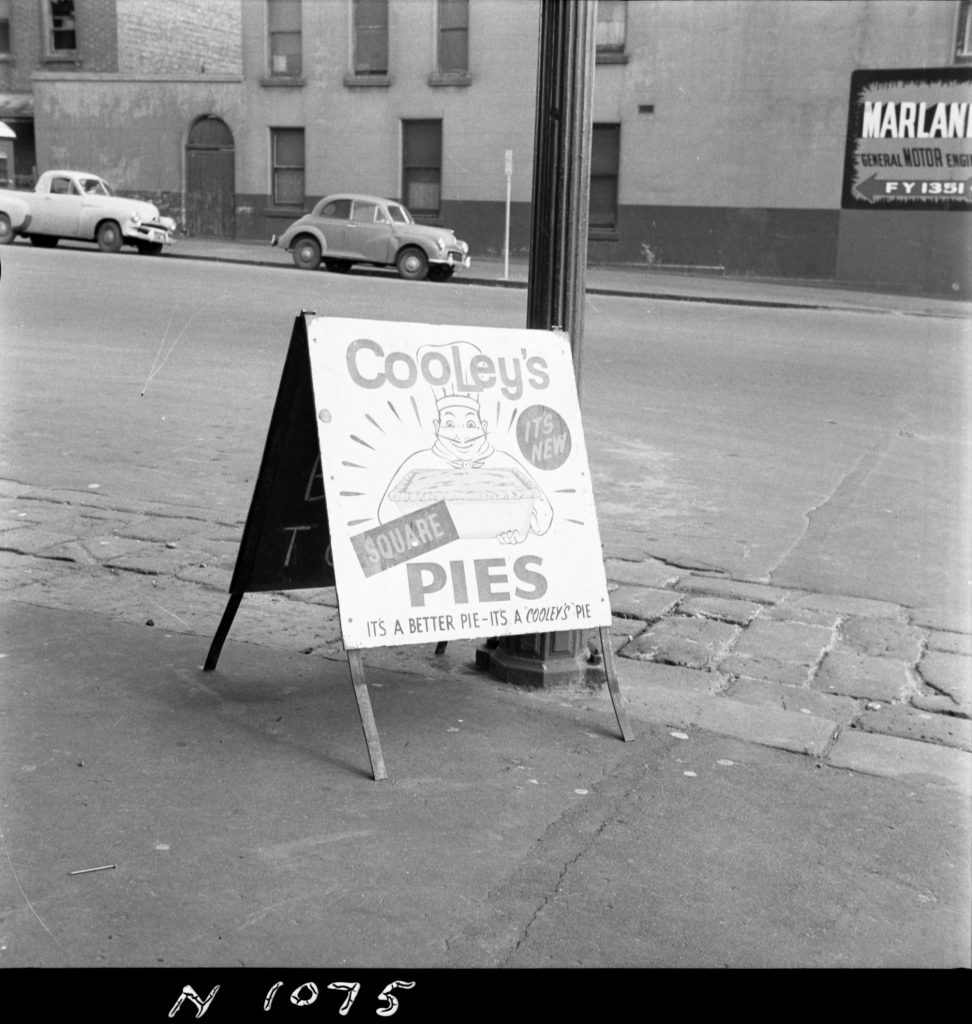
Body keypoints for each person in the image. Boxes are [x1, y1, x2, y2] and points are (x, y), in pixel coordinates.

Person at [377, 343, 553, 545]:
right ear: (437, 426)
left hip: (498, 562)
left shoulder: (504, 464)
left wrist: (522, 527)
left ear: (483, 425)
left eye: (470, 423)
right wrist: (423, 534)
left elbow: (543, 517)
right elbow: (386, 522)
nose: (462, 436)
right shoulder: (418, 465)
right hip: (435, 565)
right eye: (450, 424)